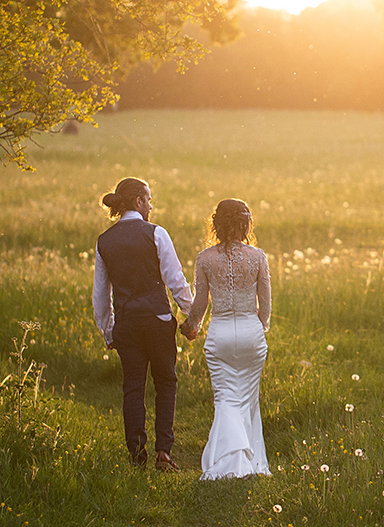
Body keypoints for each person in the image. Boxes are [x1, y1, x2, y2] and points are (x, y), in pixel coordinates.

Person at [93, 176, 194, 472]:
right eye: (149, 199)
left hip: (127, 325)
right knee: (166, 383)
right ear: (139, 201)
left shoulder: (104, 241)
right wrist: (192, 315)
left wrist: (107, 329)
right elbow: (175, 280)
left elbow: (101, 294)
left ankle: (137, 456)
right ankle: (164, 452)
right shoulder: (156, 233)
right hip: (158, 321)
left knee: (133, 388)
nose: (151, 205)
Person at [180, 198, 271, 479]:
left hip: (219, 333)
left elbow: (200, 304)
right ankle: (252, 463)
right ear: (246, 224)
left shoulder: (205, 258)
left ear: (216, 225)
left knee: (226, 399)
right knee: (247, 398)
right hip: (250, 332)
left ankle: (227, 463)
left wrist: (191, 325)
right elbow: (265, 305)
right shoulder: (258, 257)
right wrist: (260, 328)